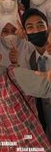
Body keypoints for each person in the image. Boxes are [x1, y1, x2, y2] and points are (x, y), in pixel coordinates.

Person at [21, 8, 51, 141]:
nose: (36, 30)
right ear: (25, 33)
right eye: (30, 27)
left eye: (40, 25)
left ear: (48, 28)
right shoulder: (29, 59)